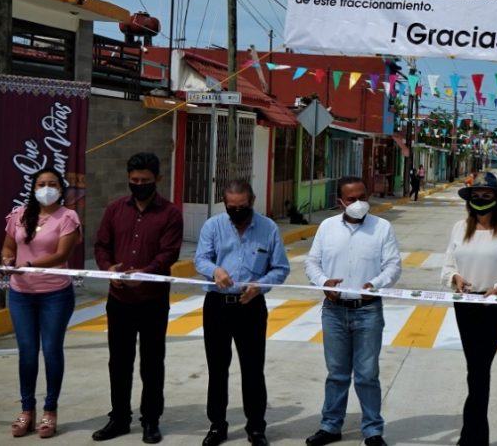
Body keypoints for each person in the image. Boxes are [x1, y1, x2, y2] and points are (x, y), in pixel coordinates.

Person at [91, 153, 183, 444]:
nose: (139, 185)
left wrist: (147, 272)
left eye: (145, 181)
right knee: (119, 361)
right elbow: (101, 245)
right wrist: (109, 269)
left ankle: (150, 420)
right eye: (134, 181)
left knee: (152, 362)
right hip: (119, 299)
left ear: (158, 179)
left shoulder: (170, 214)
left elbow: (168, 254)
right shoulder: (115, 209)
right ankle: (119, 418)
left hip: (153, 299)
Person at [304, 177, 402, 446]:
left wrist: (375, 284)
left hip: (368, 311)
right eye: (351, 199)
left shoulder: (382, 228)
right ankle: (330, 426)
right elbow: (312, 263)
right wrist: (323, 283)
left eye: (362, 197)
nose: (359, 203)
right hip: (334, 311)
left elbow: (393, 266)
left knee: (367, 374)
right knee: (336, 373)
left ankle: (372, 430)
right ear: (340, 202)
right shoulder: (326, 227)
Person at [194, 180, 290, 446]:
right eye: (231, 207)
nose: (237, 212)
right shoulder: (213, 226)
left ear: (253, 201)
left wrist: (260, 286)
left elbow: (280, 268)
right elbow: (200, 258)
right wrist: (215, 270)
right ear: (225, 204)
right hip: (217, 305)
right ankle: (217, 425)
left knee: (252, 369)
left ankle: (256, 427)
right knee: (217, 368)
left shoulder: (268, 228)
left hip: (251, 306)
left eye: (242, 207)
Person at [440, 172, 497, 446]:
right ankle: (476, 436)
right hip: (466, 304)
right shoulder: (458, 228)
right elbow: (448, 265)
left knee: (478, 368)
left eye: (486, 194)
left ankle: (471, 437)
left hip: (495, 307)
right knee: (475, 369)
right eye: (476, 194)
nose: (480, 198)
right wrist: (455, 278)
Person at [0, 168, 82, 439]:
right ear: (33, 188)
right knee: (26, 351)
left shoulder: (68, 217)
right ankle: (27, 410)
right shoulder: (19, 215)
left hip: (55, 294)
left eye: (52, 184)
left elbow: (62, 254)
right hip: (20, 294)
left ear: (61, 188)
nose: (46, 188)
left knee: (51, 349)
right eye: (41, 184)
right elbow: (8, 246)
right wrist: (8, 261)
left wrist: (31, 265)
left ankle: (50, 410)